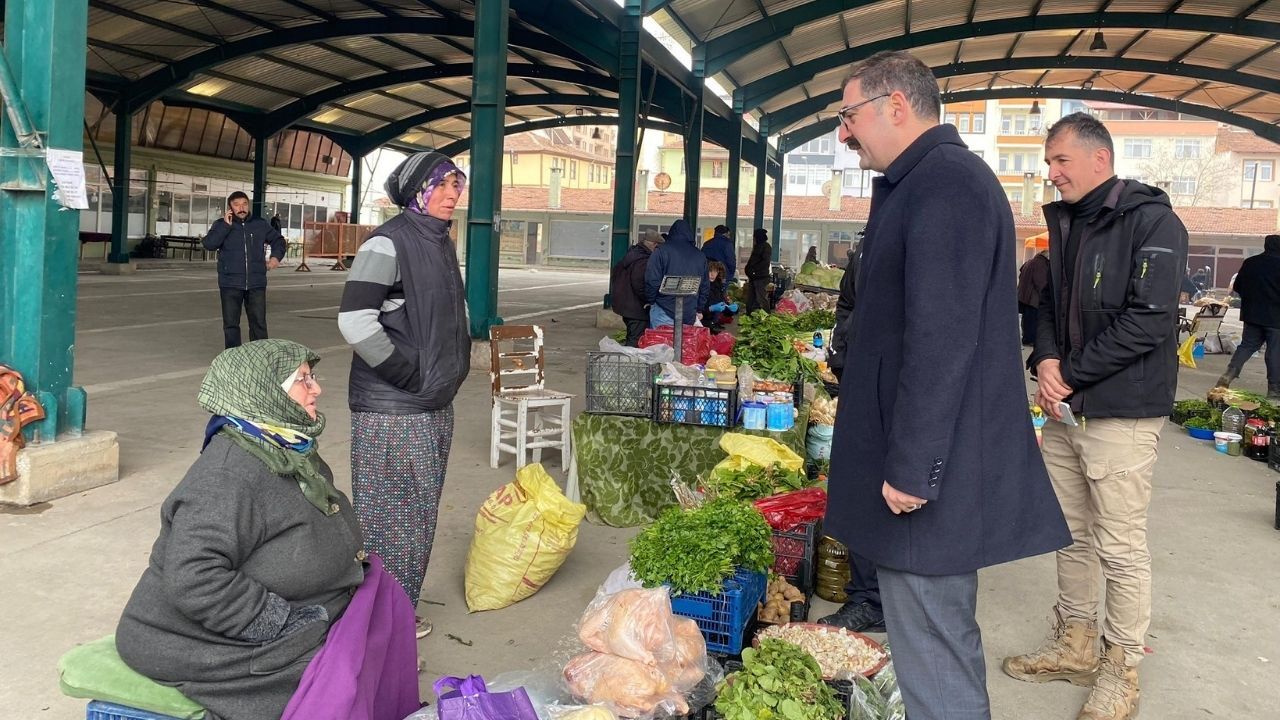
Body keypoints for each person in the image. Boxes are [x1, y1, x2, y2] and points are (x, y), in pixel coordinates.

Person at [823, 50, 1070, 720]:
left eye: (849, 116)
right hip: (926, 462)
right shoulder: (923, 181)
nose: (844, 133)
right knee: (926, 640)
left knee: (933, 645)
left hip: (932, 475)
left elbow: (941, 341)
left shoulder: (947, 186)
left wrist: (912, 468)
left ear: (895, 106)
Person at [115, 340, 420, 720]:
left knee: (378, 623)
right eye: (303, 380)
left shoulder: (283, 447)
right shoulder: (227, 475)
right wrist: (281, 622)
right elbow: (194, 576)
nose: (316, 389)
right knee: (338, 676)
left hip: (294, 611)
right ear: (262, 390)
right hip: (194, 639)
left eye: (312, 377)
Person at [1006, 112, 1188, 720]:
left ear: (1099, 159)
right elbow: (1047, 303)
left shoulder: (1153, 221)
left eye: (1060, 160)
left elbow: (1150, 320)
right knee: (1071, 532)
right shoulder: (1068, 222)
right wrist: (1046, 360)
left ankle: (1121, 668)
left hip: (1121, 411)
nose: (1051, 173)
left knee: (1120, 545)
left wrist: (1072, 372)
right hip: (1067, 408)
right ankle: (1076, 643)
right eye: (1048, 162)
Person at [338, 151, 470, 639]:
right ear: (418, 190)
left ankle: (397, 612)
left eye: (457, 184)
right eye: (442, 185)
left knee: (416, 519)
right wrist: (408, 373)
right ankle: (380, 621)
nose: (453, 195)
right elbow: (355, 322)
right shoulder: (387, 244)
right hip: (393, 409)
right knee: (389, 522)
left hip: (431, 403)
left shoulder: (439, 241)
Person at [817, 236, 885, 635]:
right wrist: (841, 357)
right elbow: (847, 304)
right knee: (857, 487)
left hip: (892, 386)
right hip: (858, 379)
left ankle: (875, 599)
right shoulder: (867, 246)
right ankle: (867, 596)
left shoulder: (917, 240)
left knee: (882, 493)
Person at [202, 191, 286, 349]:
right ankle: (234, 356)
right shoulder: (221, 225)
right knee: (231, 324)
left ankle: (260, 356)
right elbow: (209, 244)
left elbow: (278, 240)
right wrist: (225, 226)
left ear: (248, 205)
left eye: (244, 204)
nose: (241, 208)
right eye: (236, 205)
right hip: (230, 283)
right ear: (230, 208)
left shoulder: (260, 224)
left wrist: (275, 257)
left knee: (258, 323)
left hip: (256, 282)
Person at [1216, 234, 1280, 398]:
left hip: (1251, 314)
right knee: (1274, 351)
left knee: (1247, 346)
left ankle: (1229, 373)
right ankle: (1274, 389)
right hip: (1275, 317)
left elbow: (1237, 286)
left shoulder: (1250, 263)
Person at [644, 218, 709, 327]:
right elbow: (704, 286)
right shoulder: (700, 256)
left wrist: (651, 300)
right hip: (689, 311)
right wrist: (699, 308)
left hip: (663, 309)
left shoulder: (660, 251)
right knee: (684, 338)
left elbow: (652, 280)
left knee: (661, 338)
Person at [611, 229, 663, 346]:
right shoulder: (643, 261)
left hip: (627, 306)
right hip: (636, 309)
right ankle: (628, 357)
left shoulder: (632, 254)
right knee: (635, 341)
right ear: (654, 245)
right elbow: (640, 285)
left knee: (632, 336)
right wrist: (649, 299)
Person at [1017, 250, 1051, 346]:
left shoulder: (1030, 261)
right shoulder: (1040, 264)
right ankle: (1030, 339)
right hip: (1033, 298)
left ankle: (1026, 338)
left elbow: (1021, 273)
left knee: (1027, 319)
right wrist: (1046, 295)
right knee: (1032, 320)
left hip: (1025, 296)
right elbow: (1041, 282)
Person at [701, 261, 738, 331]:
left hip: (713, 323)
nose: (712, 274)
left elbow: (723, 308)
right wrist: (710, 309)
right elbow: (694, 311)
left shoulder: (718, 286)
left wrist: (731, 309)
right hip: (701, 324)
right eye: (710, 271)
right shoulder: (700, 287)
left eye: (715, 271)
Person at [744, 228, 772, 314]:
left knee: (761, 297)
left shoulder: (765, 247)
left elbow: (765, 262)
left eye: (755, 237)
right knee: (751, 297)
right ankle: (749, 314)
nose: (754, 239)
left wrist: (753, 270)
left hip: (760, 276)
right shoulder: (758, 246)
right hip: (754, 276)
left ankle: (767, 314)